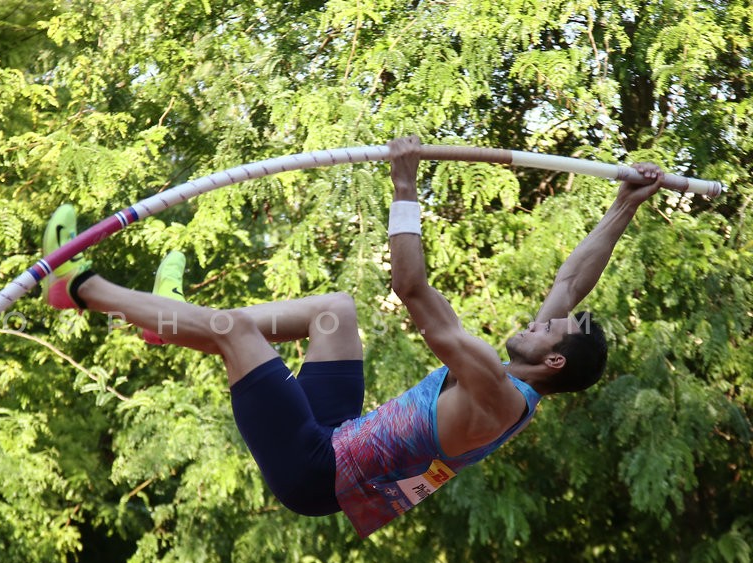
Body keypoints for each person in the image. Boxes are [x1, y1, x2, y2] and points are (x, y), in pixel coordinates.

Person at [41, 136, 665, 538]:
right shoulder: (520, 376)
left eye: (547, 327)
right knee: (333, 311)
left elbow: (414, 290)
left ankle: (78, 286)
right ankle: (168, 321)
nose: (538, 317)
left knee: (233, 331)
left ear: (552, 359)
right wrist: (624, 206)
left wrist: (404, 184)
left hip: (317, 472)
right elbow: (570, 282)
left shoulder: (495, 392)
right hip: (338, 438)